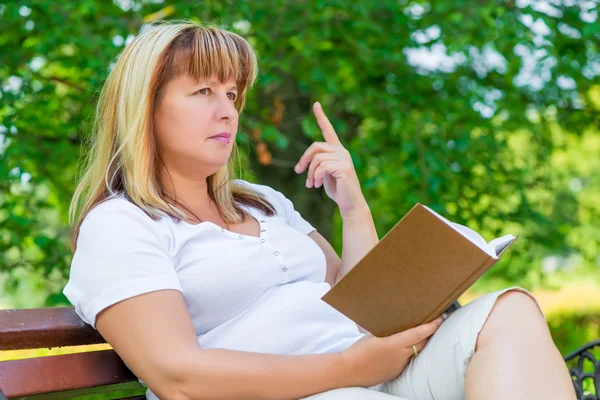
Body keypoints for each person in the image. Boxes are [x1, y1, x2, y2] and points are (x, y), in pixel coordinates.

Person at [62, 20, 576, 400]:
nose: (226, 110)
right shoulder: (122, 225)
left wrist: (353, 207)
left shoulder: (261, 202)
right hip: (299, 390)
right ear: (145, 107)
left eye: (232, 93)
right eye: (202, 91)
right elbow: (178, 377)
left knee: (509, 310)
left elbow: (363, 309)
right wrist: (349, 368)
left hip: (370, 374)